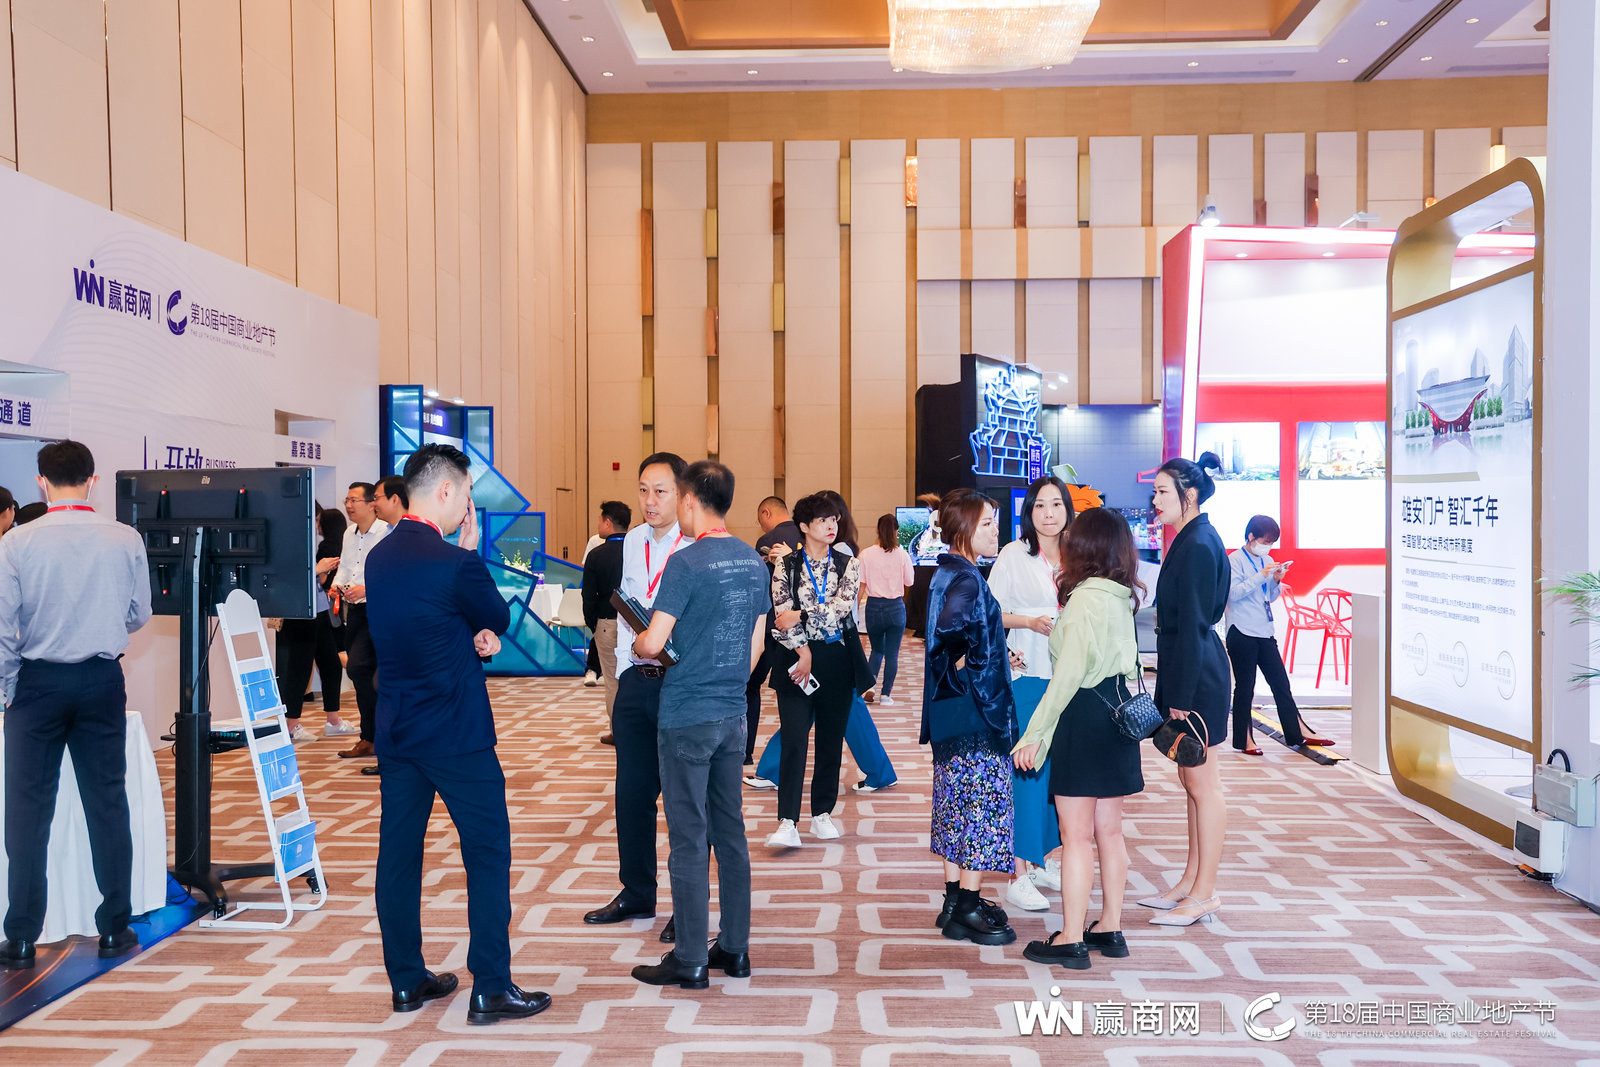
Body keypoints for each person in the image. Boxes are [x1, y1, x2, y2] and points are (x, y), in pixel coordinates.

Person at [365, 443, 549, 1023]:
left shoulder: (378, 557)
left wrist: (467, 632)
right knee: (488, 853)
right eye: (467, 493)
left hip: (397, 731)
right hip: (457, 735)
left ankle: (406, 980)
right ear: (445, 491)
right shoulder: (454, 562)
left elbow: (425, 623)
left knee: (398, 856)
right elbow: (495, 615)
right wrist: (468, 556)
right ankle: (490, 986)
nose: (468, 504)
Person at [0, 440, 151, 970]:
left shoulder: (17, 541)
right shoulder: (125, 537)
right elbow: (138, 613)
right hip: (100, 679)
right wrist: (100, 624)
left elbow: (3, 627)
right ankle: (114, 927)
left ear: (41, 482)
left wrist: (8, 689)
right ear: (93, 480)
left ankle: (21, 936)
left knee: (26, 810)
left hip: (35, 683)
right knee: (107, 803)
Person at [628, 461, 765, 989]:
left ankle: (689, 958)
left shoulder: (685, 562)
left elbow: (654, 642)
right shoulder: (752, 560)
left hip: (687, 714)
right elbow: (755, 647)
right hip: (733, 713)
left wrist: (641, 638)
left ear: (688, 501)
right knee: (730, 832)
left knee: (688, 837)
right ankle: (735, 948)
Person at [1013, 507, 1146, 969]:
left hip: (1084, 716)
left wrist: (1033, 735)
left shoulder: (1085, 600)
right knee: (1110, 831)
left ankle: (1070, 937)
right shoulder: (1121, 597)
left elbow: (1066, 679)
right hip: (1118, 716)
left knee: (1075, 838)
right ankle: (1110, 926)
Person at [583, 453, 688, 941]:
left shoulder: (696, 545)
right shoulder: (631, 542)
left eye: (660, 491)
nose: (649, 501)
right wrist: (626, 671)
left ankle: (687, 905)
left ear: (683, 494)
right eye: (643, 490)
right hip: (635, 683)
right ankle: (637, 891)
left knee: (685, 801)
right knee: (631, 795)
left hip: (681, 687)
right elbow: (627, 606)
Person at [923, 489, 1017, 946]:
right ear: (963, 529)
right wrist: (982, 665)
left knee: (954, 805)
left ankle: (954, 901)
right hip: (976, 711)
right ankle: (967, 906)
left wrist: (987, 653)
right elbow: (949, 634)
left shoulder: (947, 570)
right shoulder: (968, 579)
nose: (996, 531)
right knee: (980, 805)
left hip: (949, 711)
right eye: (987, 524)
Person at [1141, 452, 1230, 928]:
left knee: (1203, 785)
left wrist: (1180, 693)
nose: (1154, 501)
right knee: (1190, 780)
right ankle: (1190, 883)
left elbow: (1194, 625)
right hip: (1190, 668)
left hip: (1198, 676)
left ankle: (1204, 893)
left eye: (1161, 492)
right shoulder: (1193, 536)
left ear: (1188, 495)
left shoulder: (1197, 543)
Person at [987, 475, 1073, 914]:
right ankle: (1016, 874)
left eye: (1056, 504)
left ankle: (1038, 859)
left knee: (1055, 775)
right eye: (1040, 505)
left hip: (1069, 678)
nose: (1048, 513)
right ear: (1029, 511)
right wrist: (1028, 623)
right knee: (1026, 769)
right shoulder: (1013, 554)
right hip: (1027, 675)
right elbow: (989, 613)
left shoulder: (1078, 554)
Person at [764, 492, 862, 848]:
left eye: (834, 519)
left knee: (830, 740)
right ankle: (787, 821)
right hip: (795, 658)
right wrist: (803, 651)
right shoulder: (786, 565)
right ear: (804, 526)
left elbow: (840, 608)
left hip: (836, 658)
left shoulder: (848, 564)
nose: (831, 526)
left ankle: (822, 813)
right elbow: (781, 615)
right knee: (793, 740)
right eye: (822, 520)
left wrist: (803, 615)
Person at [1226, 515, 1334, 754]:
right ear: (1251, 536)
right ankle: (1245, 740)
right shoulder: (1234, 560)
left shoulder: (1267, 560)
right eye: (1265, 541)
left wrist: (1275, 580)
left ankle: (1298, 732)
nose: (1268, 546)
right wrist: (1261, 576)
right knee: (1245, 687)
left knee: (1281, 683)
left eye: (1272, 542)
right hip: (1241, 630)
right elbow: (1233, 593)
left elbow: (1269, 597)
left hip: (1264, 630)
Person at [277, 507, 352, 742]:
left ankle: (333, 720)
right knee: (299, 668)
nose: (317, 524)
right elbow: (285, 574)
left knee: (331, 664)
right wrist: (318, 570)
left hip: (318, 610)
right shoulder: (288, 538)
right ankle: (291, 725)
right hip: (300, 611)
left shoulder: (307, 538)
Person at [744, 496, 803, 761]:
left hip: (770, 626)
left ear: (766, 513)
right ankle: (790, 756)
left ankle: (745, 752)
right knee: (794, 694)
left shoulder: (768, 541)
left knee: (751, 686)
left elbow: (760, 586)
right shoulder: (805, 536)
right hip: (801, 627)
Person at [332, 481, 388, 761]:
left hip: (379, 609)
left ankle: (378, 738)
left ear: (371, 504)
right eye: (347, 500)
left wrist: (368, 589)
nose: (349, 505)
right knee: (359, 672)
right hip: (354, 611)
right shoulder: (349, 533)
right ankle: (370, 737)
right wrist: (337, 585)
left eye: (354, 500)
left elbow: (392, 572)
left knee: (362, 668)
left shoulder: (386, 531)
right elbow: (345, 566)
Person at [581, 500, 630, 740]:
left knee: (612, 681)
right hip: (638, 625)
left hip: (607, 623)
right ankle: (637, 731)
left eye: (600, 520)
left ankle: (618, 733)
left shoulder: (596, 555)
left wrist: (593, 624)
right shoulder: (638, 552)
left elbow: (588, 596)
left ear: (608, 523)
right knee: (634, 680)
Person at [857, 514, 914, 706]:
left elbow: (861, 586)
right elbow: (909, 581)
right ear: (896, 532)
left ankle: (870, 686)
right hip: (895, 608)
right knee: (892, 654)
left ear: (877, 530)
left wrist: (854, 610)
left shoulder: (865, 554)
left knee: (876, 650)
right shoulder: (903, 555)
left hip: (873, 607)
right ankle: (886, 695)